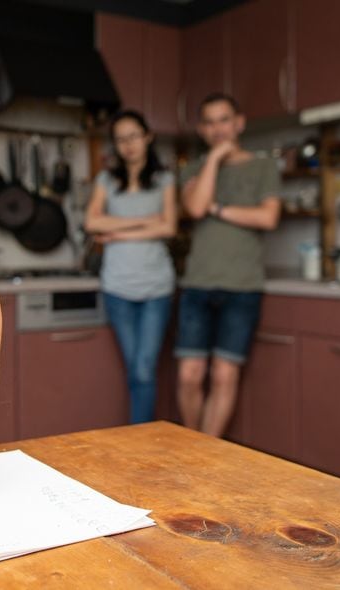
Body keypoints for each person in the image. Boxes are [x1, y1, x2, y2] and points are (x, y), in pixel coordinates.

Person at [175, 93, 281, 438]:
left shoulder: (264, 166)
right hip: (198, 283)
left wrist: (219, 210)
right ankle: (194, 450)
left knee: (224, 375)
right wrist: (215, 159)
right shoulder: (193, 169)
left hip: (242, 285)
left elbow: (268, 217)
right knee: (189, 374)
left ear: (239, 122)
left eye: (224, 119)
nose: (218, 128)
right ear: (201, 129)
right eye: (209, 122)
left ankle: (207, 453)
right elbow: (194, 207)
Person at [84, 110, 177, 424]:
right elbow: (92, 221)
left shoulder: (164, 179)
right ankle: (141, 436)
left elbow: (169, 228)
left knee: (143, 368)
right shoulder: (107, 180)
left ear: (147, 137)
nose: (128, 144)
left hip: (157, 287)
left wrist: (118, 233)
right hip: (117, 287)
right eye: (121, 139)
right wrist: (145, 221)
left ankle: (143, 439)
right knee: (136, 370)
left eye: (134, 136)